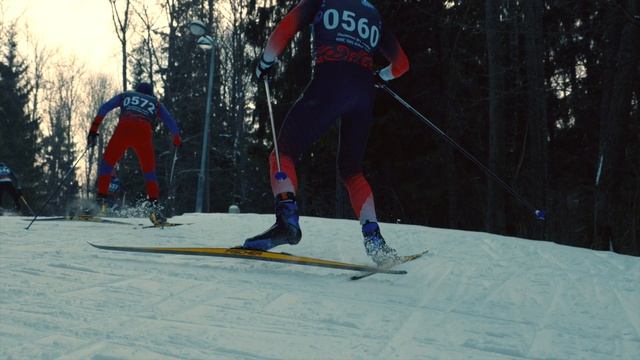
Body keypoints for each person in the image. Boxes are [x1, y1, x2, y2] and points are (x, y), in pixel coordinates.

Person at [243, 0, 409, 265]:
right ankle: (374, 240)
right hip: (363, 92)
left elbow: (286, 28)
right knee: (352, 170)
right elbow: (401, 65)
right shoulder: (374, 13)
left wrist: (265, 61)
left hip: (329, 82)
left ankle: (287, 221)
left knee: (282, 152)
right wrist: (381, 76)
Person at [87, 82, 182, 225]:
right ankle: (154, 210)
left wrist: (93, 131)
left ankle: (100, 202)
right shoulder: (155, 102)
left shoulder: (126, 95)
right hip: (143, 131)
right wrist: (176, 138)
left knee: (107, 164)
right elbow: (170, 121)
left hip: (124, 127)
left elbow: (104, 108)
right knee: (149, 171)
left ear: (136, 90)